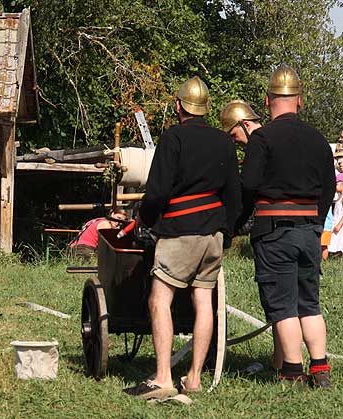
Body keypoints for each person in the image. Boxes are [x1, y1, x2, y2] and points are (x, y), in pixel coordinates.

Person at [123, 76, 240, 400]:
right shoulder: (223, 141)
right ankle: (194, 379)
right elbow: (234, 193)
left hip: (180, 232)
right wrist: (226, 233)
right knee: (204, 303)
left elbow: (158, 191)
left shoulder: (172, 138)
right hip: (212, 234)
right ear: (205, 109)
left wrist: (142, 222)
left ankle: (163, 378)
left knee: (160, 299)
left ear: (178, 107)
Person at [237, 64, 334, 388]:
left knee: (283, 305)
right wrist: (315, 223)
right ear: (301, 101)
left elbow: (248, 186)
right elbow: (329, 189)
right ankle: (319, 369)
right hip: (309, 230)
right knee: (309, 302)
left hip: (274, 230)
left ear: (267, 101)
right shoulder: (319, 139)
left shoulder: (262, 138)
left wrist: (237, 222)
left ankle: (292, 372)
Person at [326, 174, 343, 256]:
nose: (335, 185)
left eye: (337, 184)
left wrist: (339, 224)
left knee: (339, 240)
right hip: (335, 221)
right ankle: (335, 254)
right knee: (334, 240)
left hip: (340, 223)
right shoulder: (339, 197)